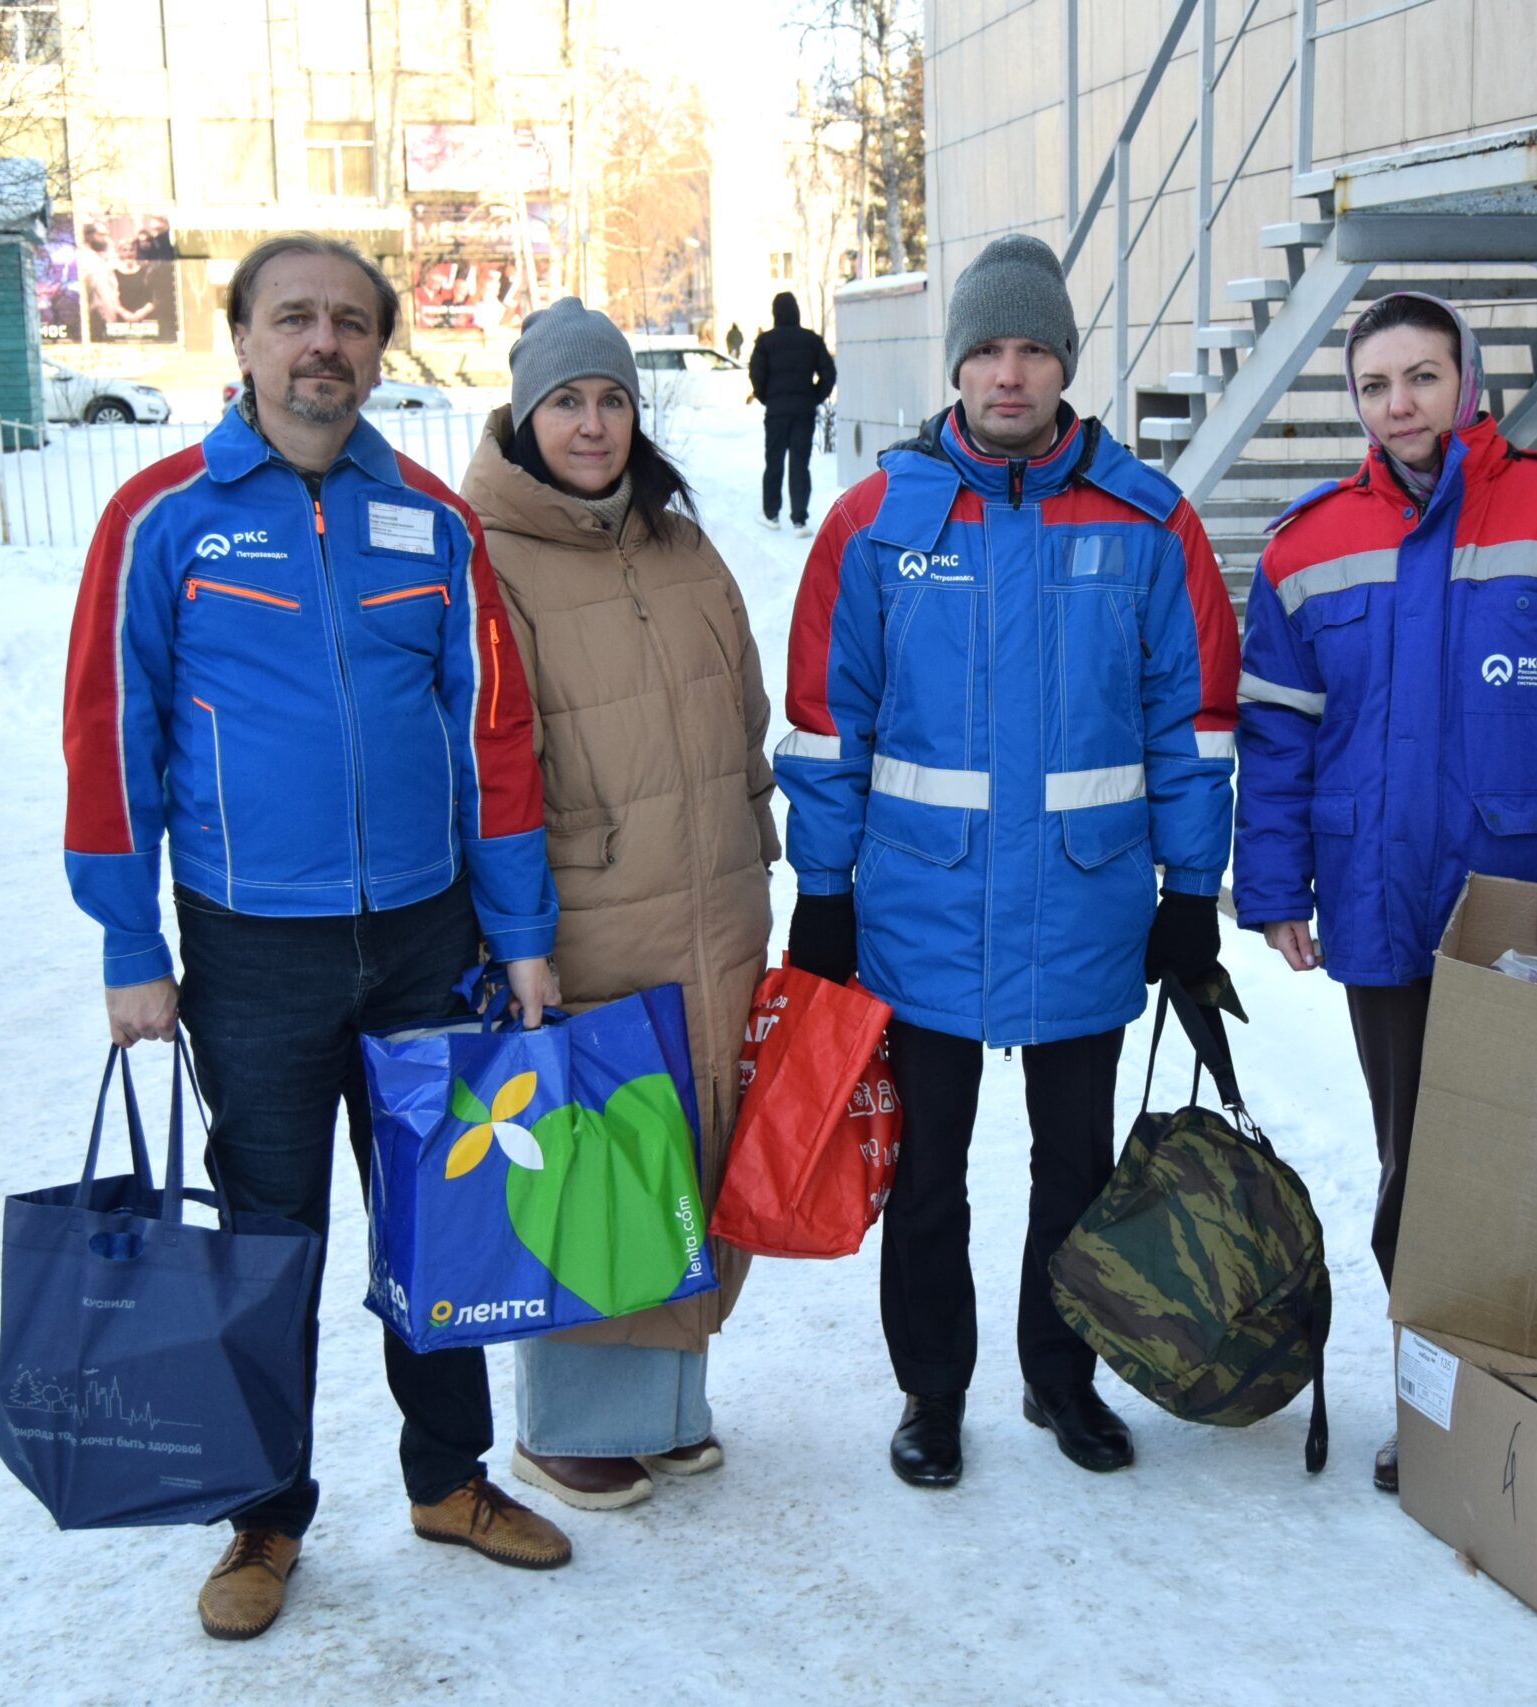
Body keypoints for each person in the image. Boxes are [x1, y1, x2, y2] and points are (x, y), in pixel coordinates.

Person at [62, 233, 574, 1642]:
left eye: (350, 323)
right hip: (254, 950)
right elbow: (113, 746)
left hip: (430, 941)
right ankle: (263, 1513)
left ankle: (449, 1477)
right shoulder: (162, 521)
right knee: (269, 1239)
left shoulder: (428, 522)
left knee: (444, 1218)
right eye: (293, 318)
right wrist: (128, 942)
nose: (323, 344)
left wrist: (521, 929)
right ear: (238, 340)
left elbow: (495, 738)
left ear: (376, 349)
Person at [776, 234, 1241, 1489]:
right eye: (986, 348)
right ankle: (933, 1392)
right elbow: (826, 725)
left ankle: (1061, 1379)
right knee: (927, 1178)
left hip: (1086, 906)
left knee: (1075, 1171)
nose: (1009, 374)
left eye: (1033, 348)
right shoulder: (878, 522)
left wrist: (1191, 895)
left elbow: (1191, 727)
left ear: (1065, 365)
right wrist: (821, 894)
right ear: (957, 365)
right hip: (920, 907)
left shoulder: (1150, 524)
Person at [1232, 290, 1537, 1494]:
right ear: (1356, 400)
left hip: (1524, 903)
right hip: (1380, 903)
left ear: (1467, 381)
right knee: (1420, 1166)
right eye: (1378, 383)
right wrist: (1276, 883)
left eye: (1423, 376)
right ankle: (1437, 1400)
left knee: (1524, 1161)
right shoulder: (1305, 543)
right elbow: (1277, 735)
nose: (1402, 403)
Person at [457, 297, 777, 1513]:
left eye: (611, 400)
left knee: (694, 1152)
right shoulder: (485, 552)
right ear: (525, 414)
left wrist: (757, 839)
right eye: (566, 401)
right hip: (585, 915)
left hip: (714, 906)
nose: (592, 424)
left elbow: (738, 707)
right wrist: (514, 927)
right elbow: (488, 756)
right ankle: (568, 1425)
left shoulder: (678, 542)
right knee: (595, 1164)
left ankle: (667, 1410)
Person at [746, 290, 836, 533]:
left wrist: (768, 398)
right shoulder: (811, 340)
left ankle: (771, 514)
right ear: (796, 311)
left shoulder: (765, 342)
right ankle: (799, 520)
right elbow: (829, 373)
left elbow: (756, 374)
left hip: (776, 412)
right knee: (800, 463)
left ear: (775, 312)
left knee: (773, 462)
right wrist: (814, 397)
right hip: (803, 412)